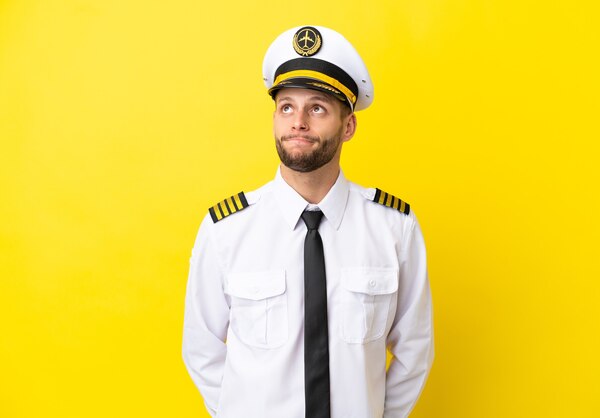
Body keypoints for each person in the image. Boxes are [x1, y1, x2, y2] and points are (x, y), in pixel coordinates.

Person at [182, 25, 434, 418]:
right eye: (286, 107)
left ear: (347, 126)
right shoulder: (226, 230)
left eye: (317, 107)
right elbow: (202, 350)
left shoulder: (394, 228)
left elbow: (415, 350)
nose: (298, 121)